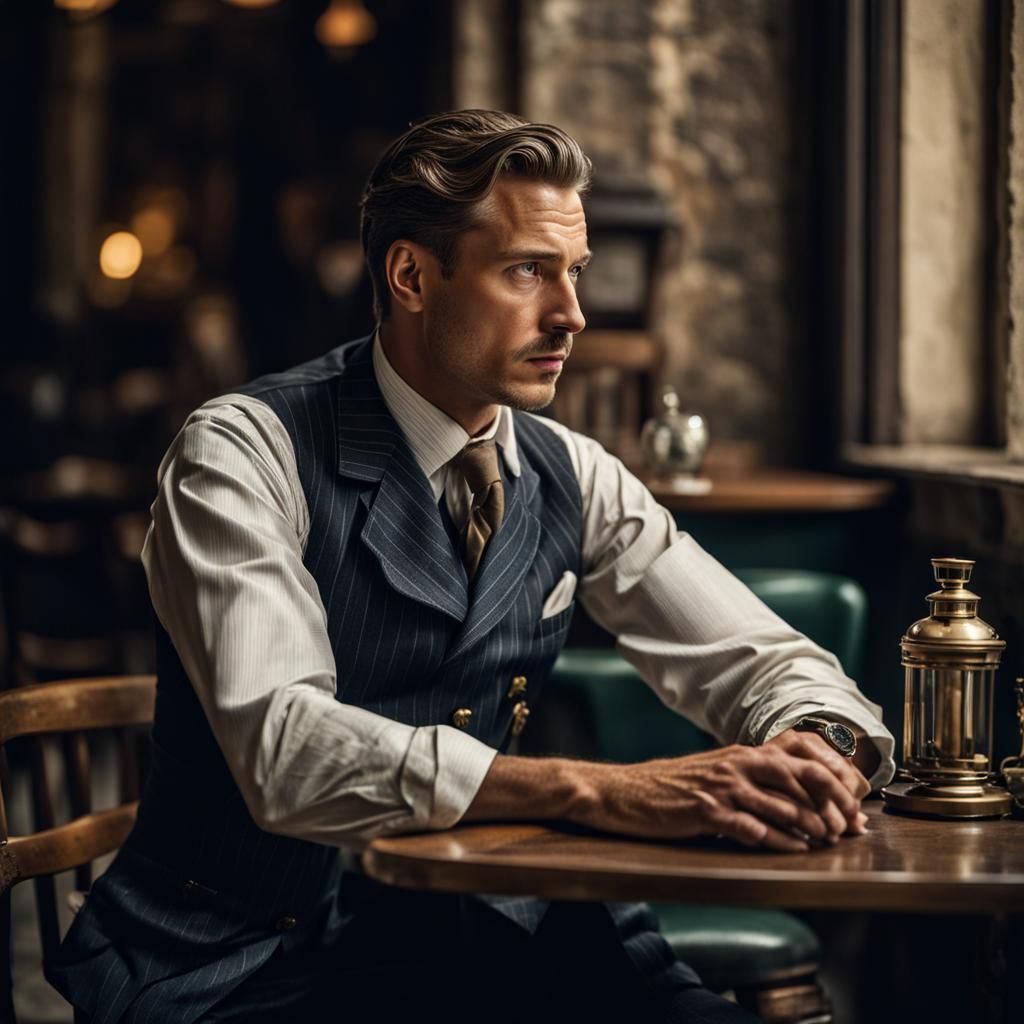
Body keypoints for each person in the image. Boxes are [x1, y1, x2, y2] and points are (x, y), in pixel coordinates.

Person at [49, 109, 894, 1023]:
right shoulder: (243, 453)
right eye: (526, 270)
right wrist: (609, 792)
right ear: (411, 275)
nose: (571, 314)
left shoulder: (573, 472)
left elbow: (768, 660)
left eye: (573, 273)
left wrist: (821, 748)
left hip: (508, 933)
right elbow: (285, 749)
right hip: (248, 965)